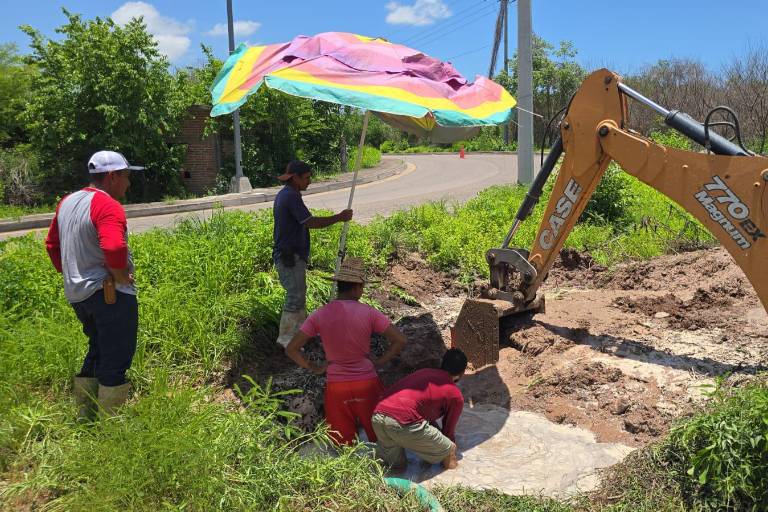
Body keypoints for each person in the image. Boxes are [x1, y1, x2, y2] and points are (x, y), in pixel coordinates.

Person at [45, 150, 143, 421]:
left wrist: (74, 274)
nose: (129, 183)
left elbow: (52, 245)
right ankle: (111, 427)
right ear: (111, 177)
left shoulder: (67, 202)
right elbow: (113, 246)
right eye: (126, 176)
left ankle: (84, 416)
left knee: (98, 348)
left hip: (79, 295)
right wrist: (121, 276)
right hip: (109, 294)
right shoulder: (107, 205)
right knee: (116, 355)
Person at [285, 257, 406, 445]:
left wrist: (312, 366)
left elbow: (291, 349)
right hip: (367, 383)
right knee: (382, 439)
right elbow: (400, 340)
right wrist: (380, 361)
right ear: (357, 287)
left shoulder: (320, 314)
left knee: (342, 445)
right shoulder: (369, 312)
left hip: (336, 386)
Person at [273, 160, 353, 347]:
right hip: (289, 256)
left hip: (291, 255)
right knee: (295, 296)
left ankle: (299, 337)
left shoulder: (288, 194)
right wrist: (339, 217)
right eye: (307, 178)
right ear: (295, 178)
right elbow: (310, 222)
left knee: (298, 295)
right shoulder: (290, 196)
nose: (309, 182)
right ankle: (287, 340)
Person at [372, 348, 468, 471]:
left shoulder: (424, 372)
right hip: (402, 422)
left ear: (442, 364)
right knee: (450, 449)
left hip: (378, 416)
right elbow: (448, 432)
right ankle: (454, 478)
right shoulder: (454, 394)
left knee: (396, 468)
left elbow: (419, 409)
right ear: (462, 373)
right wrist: (446, 446)